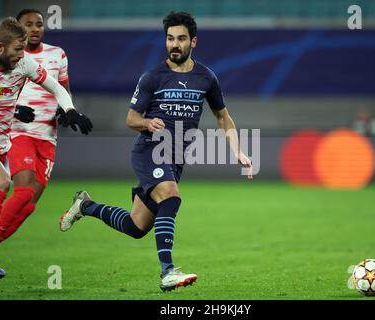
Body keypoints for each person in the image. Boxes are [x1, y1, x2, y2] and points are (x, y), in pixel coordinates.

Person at [59, 11, 252, 291]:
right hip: (150, 151)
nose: (174, 44)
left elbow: (223, 116)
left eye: (181, 39)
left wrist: (238, 151)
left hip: (175, 159)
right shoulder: (152, 77)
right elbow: (131, 119)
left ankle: (85, 206)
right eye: (170, 39)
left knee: (136, 227)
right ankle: (167, 272)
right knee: (171, 197)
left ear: (193, 42)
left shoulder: (206, 78)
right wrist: (147, 122)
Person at [0, 17, 92, 278]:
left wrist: (70, 110)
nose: (22, 54)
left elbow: (55, 87)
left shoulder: (24, 64)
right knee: (2, 183)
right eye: (17, 49)